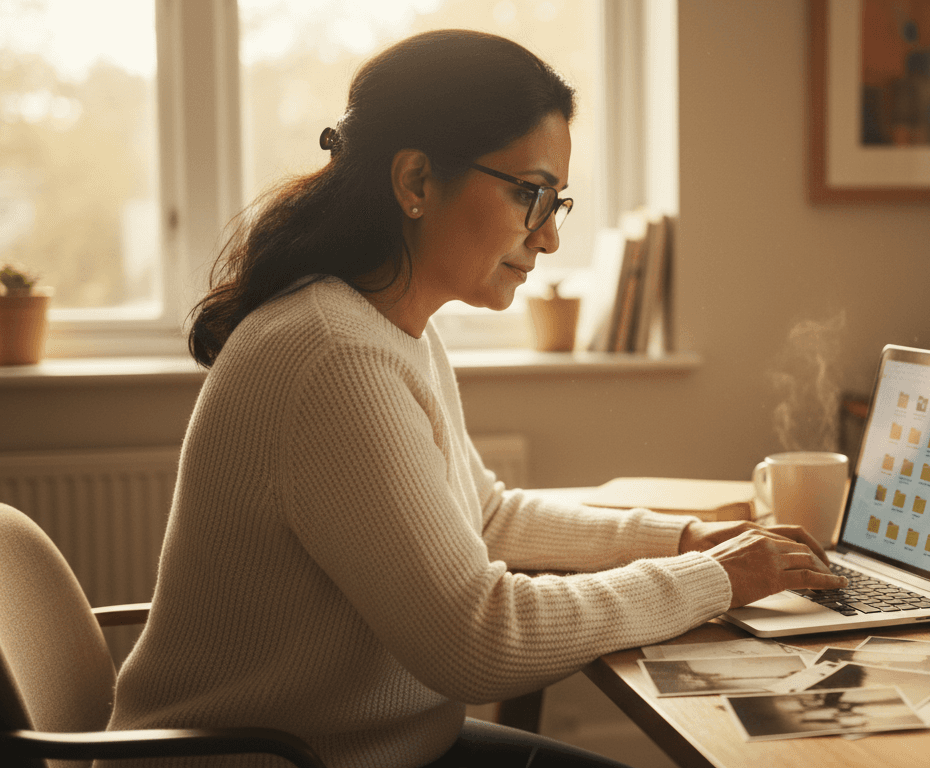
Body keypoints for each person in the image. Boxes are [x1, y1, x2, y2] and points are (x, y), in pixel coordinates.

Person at [103, 30, 845, 768]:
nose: (550, 238)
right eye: (531, 195)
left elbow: (484, 516)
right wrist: (716, 579)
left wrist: (683, 540)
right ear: (416, 182)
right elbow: (479, 640)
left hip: (373, 750)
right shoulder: (332, 355)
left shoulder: (388, 327)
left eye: (560, 203)